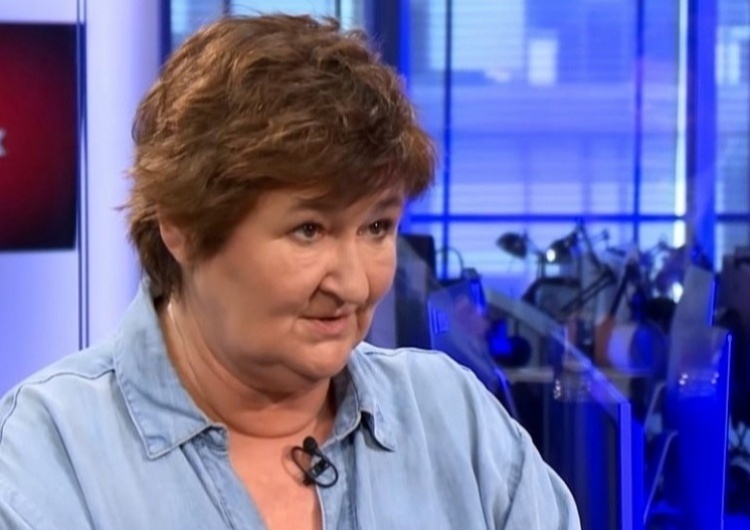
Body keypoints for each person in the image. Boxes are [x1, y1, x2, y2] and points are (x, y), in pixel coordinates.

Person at [0, 13, 580, 529]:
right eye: (309, 230)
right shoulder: (47, 457)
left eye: (377, 227)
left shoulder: (456, 421)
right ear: (182, 226)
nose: (354, 285)